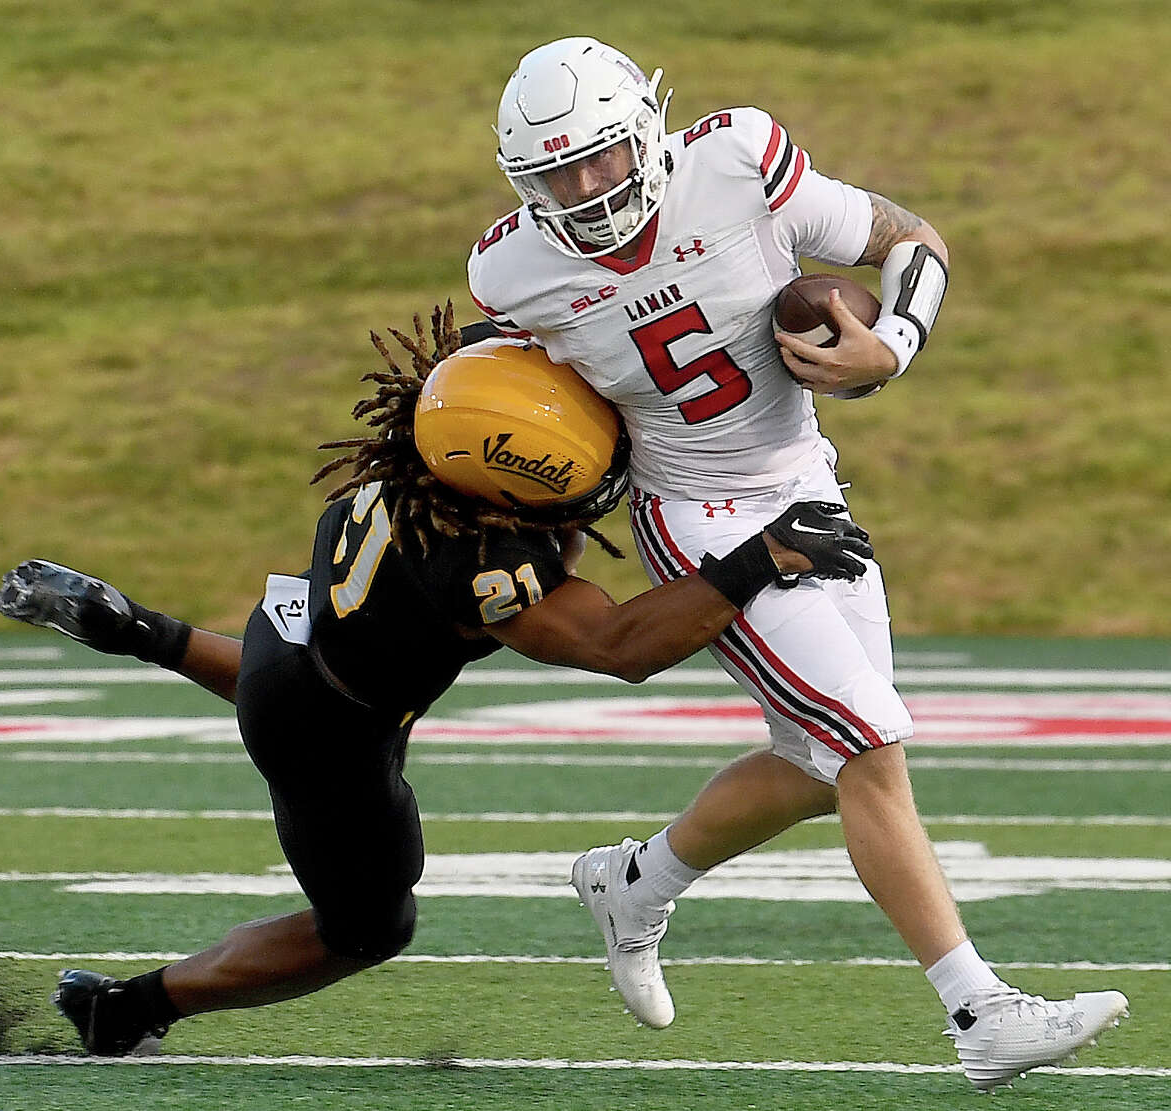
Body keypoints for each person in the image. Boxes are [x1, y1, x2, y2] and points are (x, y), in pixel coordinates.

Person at [468, 38, 1128, 1091]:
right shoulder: (513, 270)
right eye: (559, 172)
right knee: (866, 739)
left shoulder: (736, 158)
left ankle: (635, 882)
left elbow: (913, 239)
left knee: (823, 766)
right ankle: (979, 1011)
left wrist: (893, 342)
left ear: (648, 129)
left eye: (600, 158)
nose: (586, 189)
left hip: (805, 481)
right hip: (695, 519)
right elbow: (501, 400)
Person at [0, 306, 876, 1057]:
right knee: (372, 925)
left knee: (318, 686)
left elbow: (508, 361)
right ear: (513, 474)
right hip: (326, 724)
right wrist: (760, 557)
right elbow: (621, 644)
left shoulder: (424, 445)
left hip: (294, 641)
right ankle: (126, 1008)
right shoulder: (485, 567)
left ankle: (139, 629)